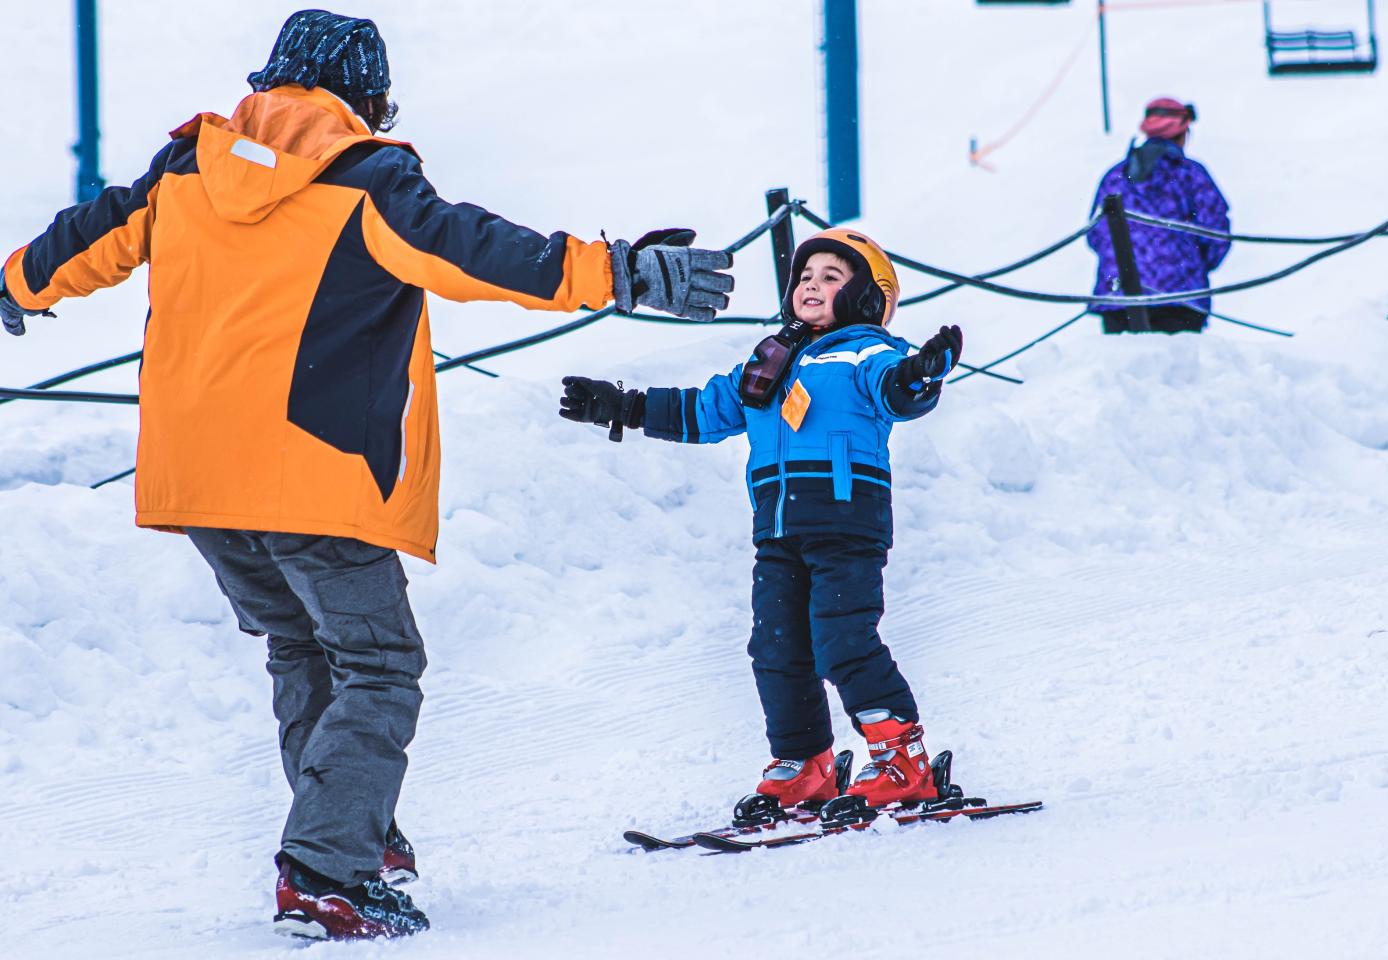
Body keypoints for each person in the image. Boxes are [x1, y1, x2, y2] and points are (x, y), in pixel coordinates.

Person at [0, 9, 733, 941]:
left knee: (303, 650)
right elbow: (479, 250)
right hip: (315, 471)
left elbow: (87, 237)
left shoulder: (183, 171)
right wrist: (619, 272)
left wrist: (17, 283)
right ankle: (325, 871)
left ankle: (352, 831)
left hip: (197, 479)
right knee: (381, 664)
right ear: (366, 98)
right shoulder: (367, 180)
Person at [557, 229, 964, 810]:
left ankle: (901, 756)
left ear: (868, 298)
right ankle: (807, 762)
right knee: (775, 648)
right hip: (776, 532)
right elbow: (704, 409)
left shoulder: (870, 353)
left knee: (842, 640)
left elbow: (898, 391)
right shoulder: (768, 363)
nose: (812, 286)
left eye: (831, 277)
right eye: (804, 277)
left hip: (846, 528)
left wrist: (923, 371)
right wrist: (621, 406)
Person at [1087, 97, 1231, 334]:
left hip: (1118, 298)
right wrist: (1191, 266)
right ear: (1182, 133)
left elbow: (1097, 233)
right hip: (1181, 299)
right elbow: (1215, 232)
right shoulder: (1190, 175)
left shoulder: (1116, 176)